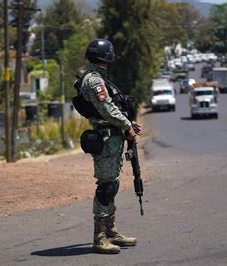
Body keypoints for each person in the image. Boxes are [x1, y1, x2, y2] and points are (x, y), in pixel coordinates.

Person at [80, 39, 143, 254]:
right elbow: (106, 108)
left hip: (113, 137)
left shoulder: (100, 78)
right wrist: (126, 125)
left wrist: (129, 124)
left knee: (112, 185)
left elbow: (112, 107)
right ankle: (99, 237)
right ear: (107, 56)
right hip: (106, 138)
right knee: (106, 187)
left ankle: (110, 231)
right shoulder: (94, 80)